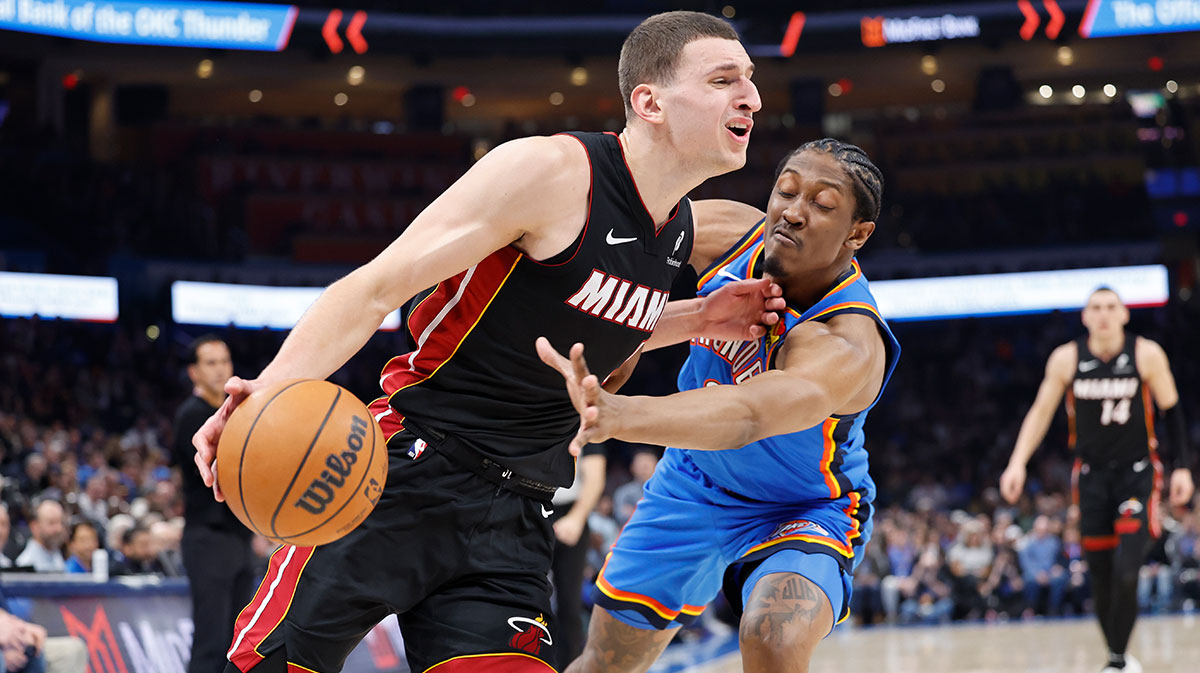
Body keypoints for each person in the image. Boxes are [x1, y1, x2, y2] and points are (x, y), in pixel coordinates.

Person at [192, 11, 782, 673]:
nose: (752, 97)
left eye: (752, 81)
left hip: (514, 517)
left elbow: (581, 326)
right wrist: (263, 391)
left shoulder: (676, 231)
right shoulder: (552, 172)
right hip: (404, 472)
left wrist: (699, 316)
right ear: (649, 102)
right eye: (725, 79)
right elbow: (375, 287)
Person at [540, 139, 899, 673]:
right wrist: (629, 337)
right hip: (693, 482)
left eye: (822, 205)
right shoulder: (728, 234)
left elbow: (749, 415)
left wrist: (618, 414)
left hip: (801, 508)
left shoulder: (845, 342)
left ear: (858, 233)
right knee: (603, 664)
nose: (794, 213)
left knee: (771, 637)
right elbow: (619, 246)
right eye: (787, 191)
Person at [999, 286, 1194, 673]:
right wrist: (1017, 462)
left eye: (1110, 307)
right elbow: (1041, 411)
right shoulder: (1067, 358)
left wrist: (1183, 467)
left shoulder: (1146, 353)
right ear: (1085, 317)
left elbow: (1172, 411)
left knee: (1126, 570)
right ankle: (1116, 658)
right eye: (1096, 308)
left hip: (1137, 474)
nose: (1103, 314)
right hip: (1089, 479)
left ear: (1124, 314)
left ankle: (1118, 662)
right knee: (1101, 577)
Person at [171, 335, 256, 673]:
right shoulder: (193, 417)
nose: (220, 368)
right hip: (208, 538)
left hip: (237, 538)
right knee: (211, 642)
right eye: (210, 362)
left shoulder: (233, 413)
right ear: (193, 372)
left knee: (237, 645)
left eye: (225, 360)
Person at [549, 443, 606, 667]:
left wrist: (577, 518)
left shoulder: (584, 425)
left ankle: (569, 666)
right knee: (527, 600)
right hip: (529, 511)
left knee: (570, 606)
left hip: (571, 512)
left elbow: (595, 477)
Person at [14, 500, 65, 573]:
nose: (59, 529)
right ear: (35, 527)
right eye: (51, 523)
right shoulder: (26, 565)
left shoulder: (57, 555)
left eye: (61, 522)